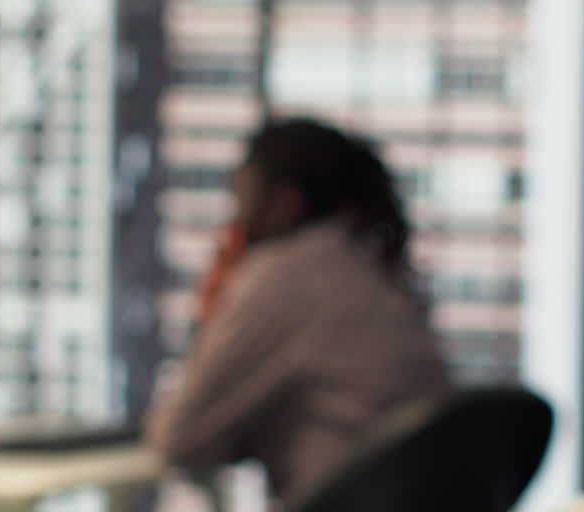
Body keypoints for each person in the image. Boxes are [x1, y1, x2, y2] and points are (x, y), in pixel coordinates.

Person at [147, 118, 450, 506]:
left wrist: (214, 312)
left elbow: (179, 439)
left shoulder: (286, 274)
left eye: (241, 203)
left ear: (283, 205)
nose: (232, 228)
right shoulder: (374, 270)